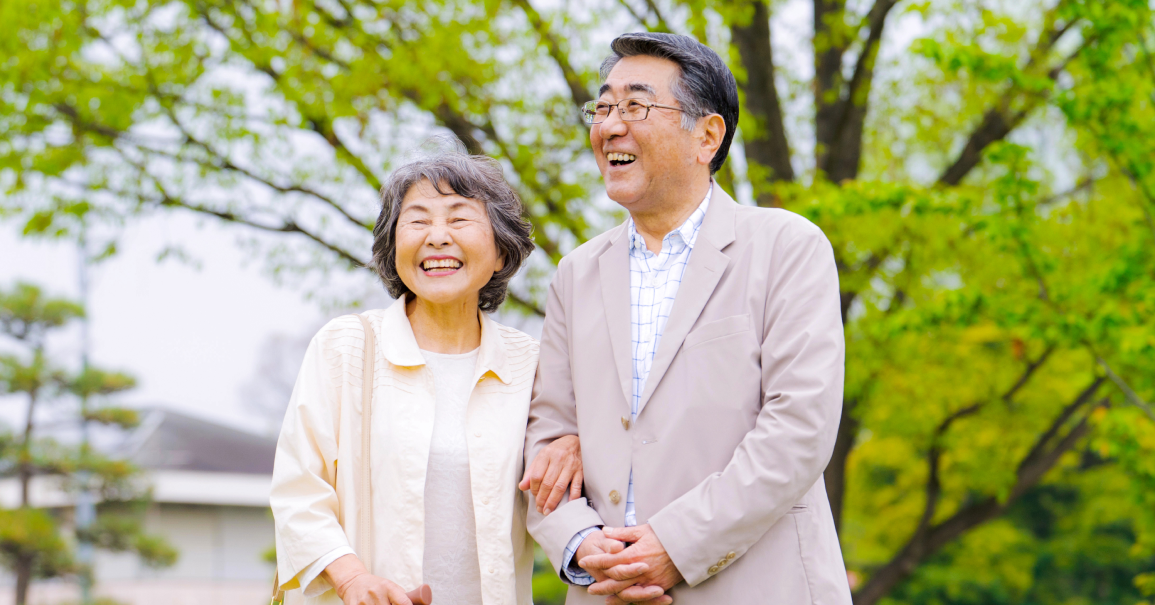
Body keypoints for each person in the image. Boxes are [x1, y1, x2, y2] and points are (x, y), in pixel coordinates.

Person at [522, 32, 852, 605]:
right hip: (607, 593)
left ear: (707, 135)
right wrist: (580, 545)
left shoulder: (785, 246)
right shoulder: (575, 274)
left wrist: (672, 545)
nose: (610, 126)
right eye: (603, 107)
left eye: (635, 105)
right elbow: (545, 441)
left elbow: (799, 429)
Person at [270, 148, 582, 605]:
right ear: (393, 247)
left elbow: (567, 467)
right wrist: (354, 580)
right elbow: (299, 491)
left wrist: (576, 441)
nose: (437, 237)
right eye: (417, 221)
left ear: (500, 251)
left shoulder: (532, 365)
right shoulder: (346, 347)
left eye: (459, 220)